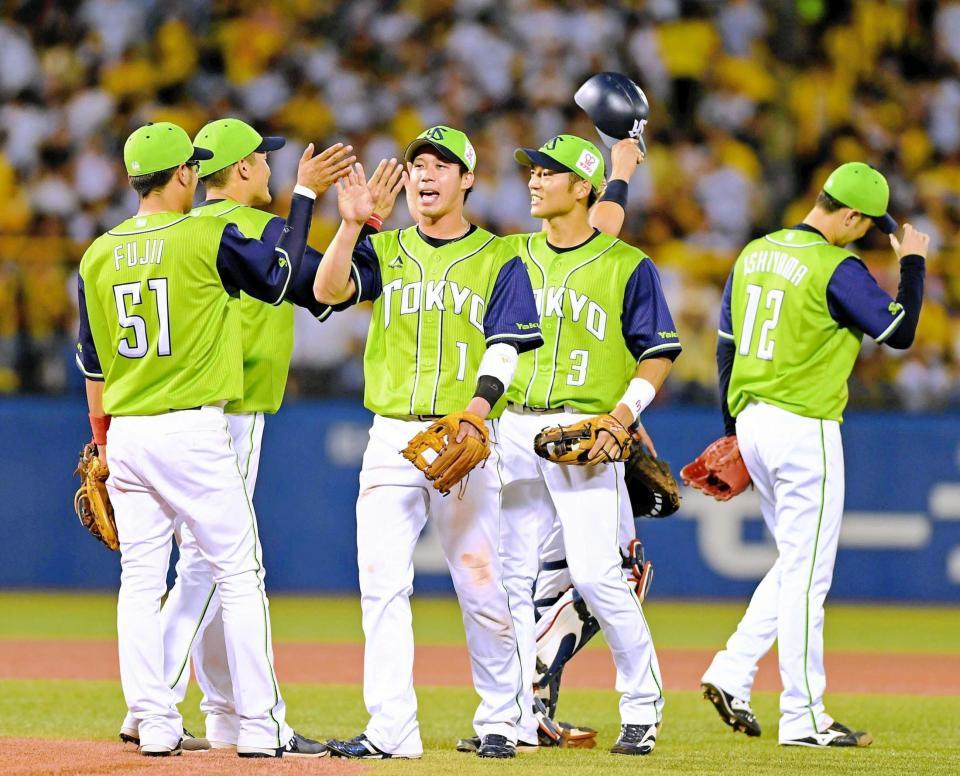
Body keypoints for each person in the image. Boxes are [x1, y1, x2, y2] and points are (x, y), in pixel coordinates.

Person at [113, 118, 391, 754]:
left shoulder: (181, 230)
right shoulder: (255, 230)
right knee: (216, 571)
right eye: (261, 159)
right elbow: (331, 292)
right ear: (240, 170)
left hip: (152, 417)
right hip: (221, 418)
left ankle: (216, 711)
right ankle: (162, 703)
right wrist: (361, 225)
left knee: (188, 571)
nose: (269, 166)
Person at [76, 121, 332, 757]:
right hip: (192, 427)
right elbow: (278, 280)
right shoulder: (205, 232)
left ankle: (155, 722)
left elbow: (93, 366)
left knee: (139, 580)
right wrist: (303, 195)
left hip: (128, 433)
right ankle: (259, 728)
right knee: (238, 573)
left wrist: (103, 444)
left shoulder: (97, 252)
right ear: (185, 174)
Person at [313, 126, 543, 760]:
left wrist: (476, 410)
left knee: (478, 579)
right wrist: (351, 226)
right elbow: (327, 292)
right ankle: (391, 729)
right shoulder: (384, 251)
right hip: (391, 434)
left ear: (467, 179)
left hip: (462, 432)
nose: (427, 173)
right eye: (419, 163)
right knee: (381, 583)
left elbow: (508, 344)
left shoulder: (501, 258)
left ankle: (502, 719)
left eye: (444, 164)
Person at [700, 162, 927, 747]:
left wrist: (734, 432)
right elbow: (898, 334)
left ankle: (733, 667)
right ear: (850, 215)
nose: (865, 233)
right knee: (808, 574)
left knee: (796, 564)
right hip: (804, 429)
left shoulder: (753, 253)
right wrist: (913, 264)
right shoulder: (835, 265)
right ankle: (803, 716)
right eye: (867, 224)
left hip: (752, 419)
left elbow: (725, 350)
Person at [497, 134, 682, 756]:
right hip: (515, 424)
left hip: (586, 432)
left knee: (602, 579)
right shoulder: (510, 255)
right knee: (511, 581)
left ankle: (643, 707)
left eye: (547, 173)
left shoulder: (629, 266)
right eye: (532, 170)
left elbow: (658, 353)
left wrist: (623, 415)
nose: (533, 180)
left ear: (581, 187)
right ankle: (513, 715)